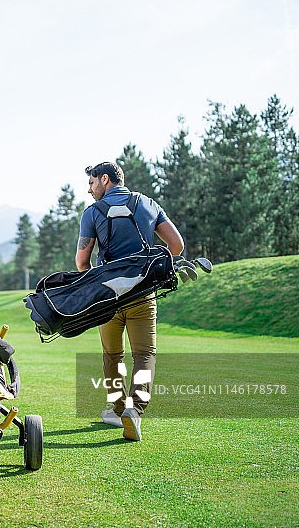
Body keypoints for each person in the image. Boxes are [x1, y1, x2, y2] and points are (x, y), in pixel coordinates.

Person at [75, 162, 184, 441]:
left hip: (109, 298)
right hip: (143, 294)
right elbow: (177, 246)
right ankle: (134, 411)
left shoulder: (92, 213)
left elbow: (82, 262)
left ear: (105, 179)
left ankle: (118, 408)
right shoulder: (147, 203)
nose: (89, 190)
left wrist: (96, 289)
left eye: (91, 183)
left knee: (112, 356)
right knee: (144, 355)